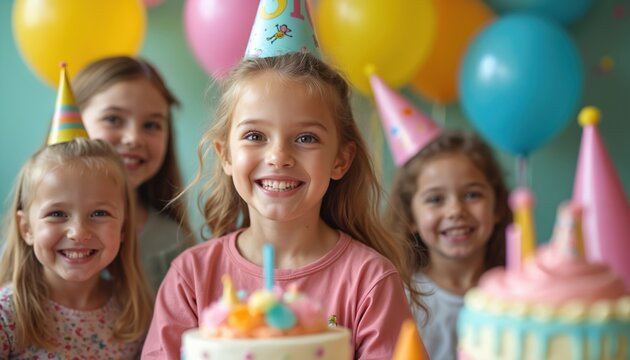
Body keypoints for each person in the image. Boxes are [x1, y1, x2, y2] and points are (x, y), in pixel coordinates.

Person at [141, 52, 425, 359]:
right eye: (255, 135)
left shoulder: (368, 280)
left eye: (305, 138)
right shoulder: (191, 277)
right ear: (225, 155)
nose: (278, 156)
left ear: (341, 159)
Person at [0, 138, 153, 358]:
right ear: (26, 229)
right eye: (57, 214)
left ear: (123, 228)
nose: (79, 232)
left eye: (99, 213)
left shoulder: (135, 313)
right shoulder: (7, 316)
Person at [72, 56, 196, 292]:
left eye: (151, 125)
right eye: (113, 119)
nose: (133, 138)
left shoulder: (172, 244)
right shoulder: (39, 231)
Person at [385, 130, 511, 360]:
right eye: (435, 199)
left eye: (472, 195)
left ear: (498, 208)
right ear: (411, 217)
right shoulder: (400, 299)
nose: (455, 211)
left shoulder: (518, 297)